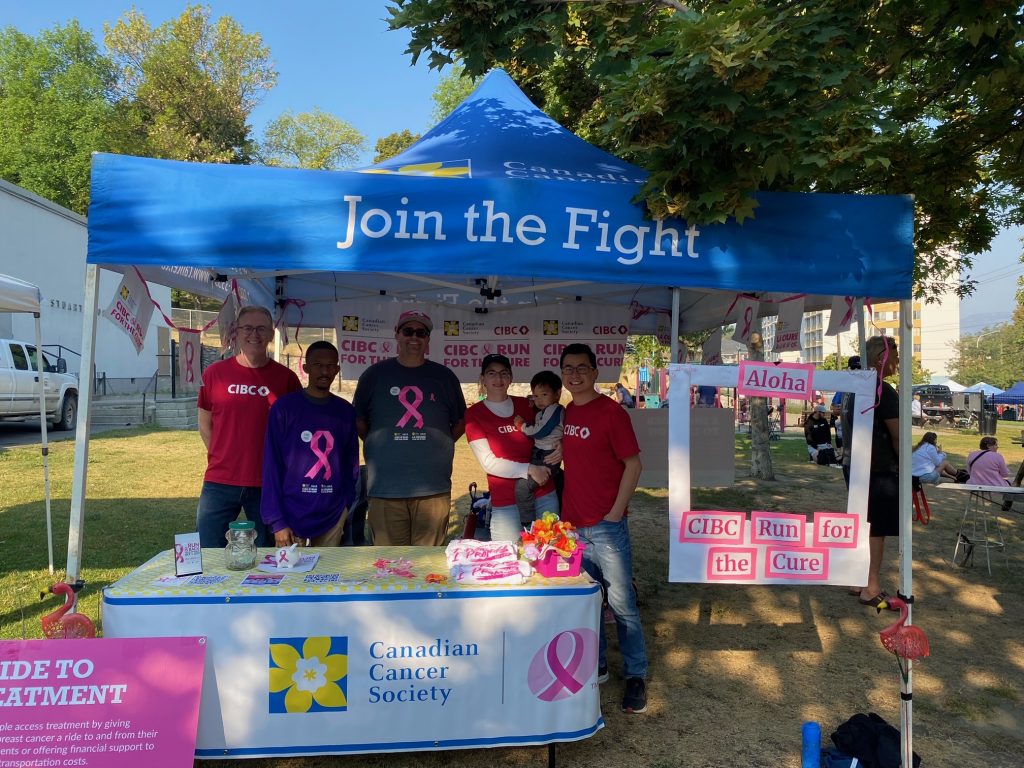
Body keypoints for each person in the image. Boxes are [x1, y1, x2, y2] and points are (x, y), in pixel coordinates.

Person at [559, 343, 648, 714]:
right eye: (568, 369)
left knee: (623, 605)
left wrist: (615, 513)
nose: (575, 374)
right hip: (572, 527)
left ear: (596, 372)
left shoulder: (612, 413)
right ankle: (596, 666)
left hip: (606, 527)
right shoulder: (565, 412)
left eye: (582, 368)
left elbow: (634, 465)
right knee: (586, 604)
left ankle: (636, 675)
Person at [353, 309, 467, 546]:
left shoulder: (444, 377)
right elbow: (359, 420)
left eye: (421, 332)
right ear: (396, 334)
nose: (414, 337)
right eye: (408, 331)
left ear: (428, 339)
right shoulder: (374, 375)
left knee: (428, 568)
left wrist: (438, 443)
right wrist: (380, 444)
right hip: (385, 488)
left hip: (433, 489)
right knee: (388, 565)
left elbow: (459, 423)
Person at [196, 305, 302, 548]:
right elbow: (205, 424)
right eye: (248, 328)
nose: (254, 334)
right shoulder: (215, 374)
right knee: (208, 549)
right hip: (220, 481)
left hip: (268, 482)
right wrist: (222, 457)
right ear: (236, 331)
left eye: (261, 328)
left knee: (268, 553)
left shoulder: (286, 379)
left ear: (271, 334)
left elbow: (294, 434)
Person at [261, 341, 359, 547]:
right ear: (305, 368)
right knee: (291, 576)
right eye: (318, 365)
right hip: (291, 512)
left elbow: (351, 463)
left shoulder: (345, 412)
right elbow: (272, 465)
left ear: (338, 369)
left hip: (332, 513)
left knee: (326, 576)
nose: (325, 371)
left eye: (331, 365)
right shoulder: (285, 408)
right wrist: (277, 521)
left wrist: (346, 505)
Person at [464, 355, 558, 541]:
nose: (498, 379)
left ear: (511, 377)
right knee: (508, 560)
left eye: (503, 373)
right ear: (483, 378)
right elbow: (488, 463)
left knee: (549, 559)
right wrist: (530, 469)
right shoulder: (474, 414)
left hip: (543, 494)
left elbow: (555, 426)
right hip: (506, 503)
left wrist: (561, 445)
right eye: (492, 373)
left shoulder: (528, 404)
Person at [854, 335, 900, 609]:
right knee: (876, 529)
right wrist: (906, 469)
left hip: (857, 467)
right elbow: (897, 435)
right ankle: (870, 586)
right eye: (895, 355)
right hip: (880, 469)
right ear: (881, 358)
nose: (898, 361)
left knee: (862, 525)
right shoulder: (884, 390)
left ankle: (857, 579)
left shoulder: (855, 388)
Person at [513, 370, 564, 523]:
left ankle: (528, 523)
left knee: (522, 487)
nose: (539, 400)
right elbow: (542, 415)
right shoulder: (547, 409)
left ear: (557, 394)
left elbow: (541, 430)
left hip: (547, 455)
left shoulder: (556, 409)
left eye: (544, 395)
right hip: (542, 453)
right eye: (536, 396)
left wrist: (522, 426)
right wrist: (532, 401)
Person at [966, 436, 1013, 510]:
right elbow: (1005, 474)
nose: (997, 447)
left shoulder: (972, 454)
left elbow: (969, 472)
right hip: (994, 485)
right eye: (996, 445)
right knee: (1014, 481)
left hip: (973, 484)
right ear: (988, 446)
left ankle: (1007, 505)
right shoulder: (998, 456)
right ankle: (1007, 505)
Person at [839, 355, 861, 488]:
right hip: (853, 456)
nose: (856, 372)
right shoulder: (850, 391)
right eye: (854, 368)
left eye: (858, 368)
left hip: (853, 456)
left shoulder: (849, 390)